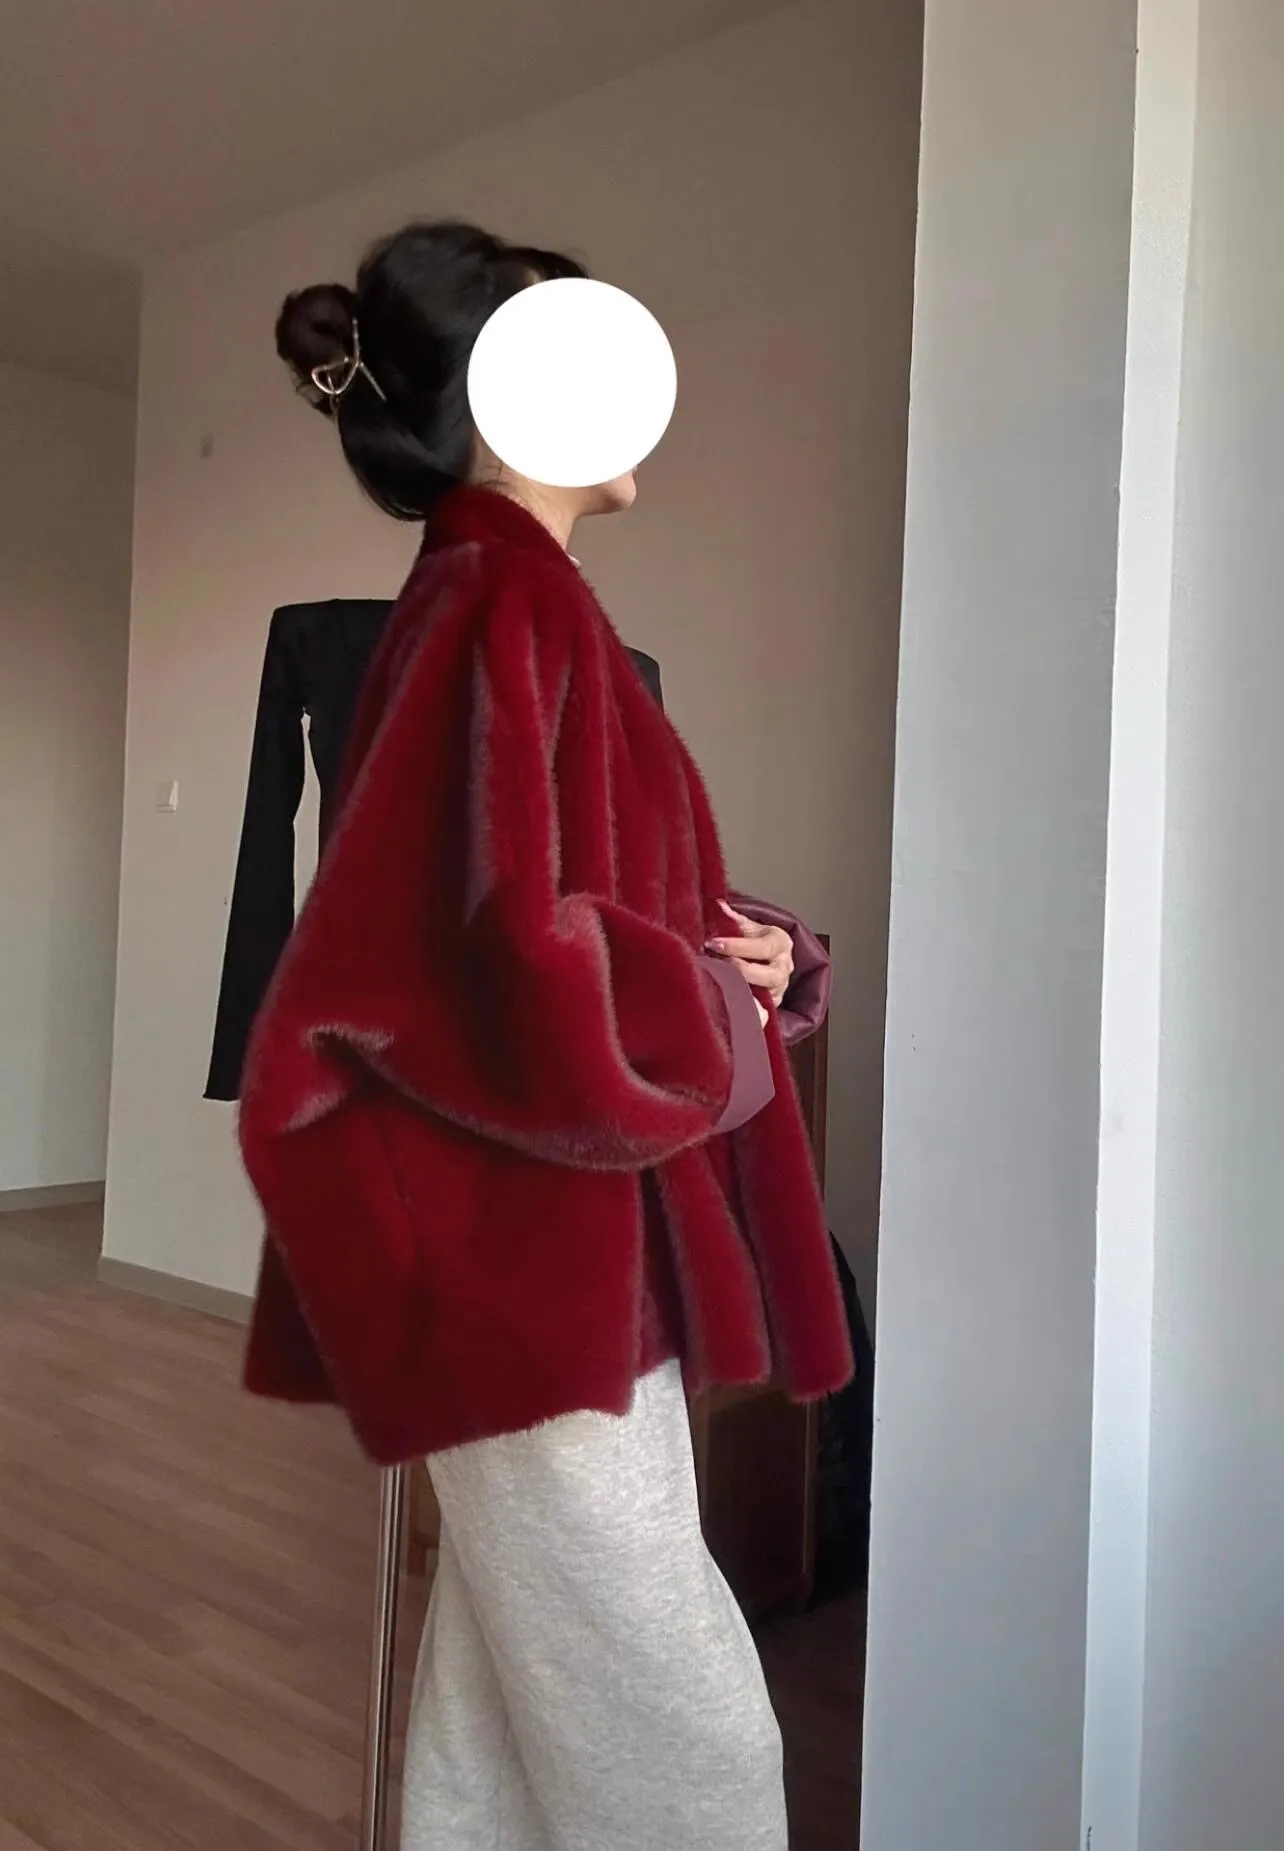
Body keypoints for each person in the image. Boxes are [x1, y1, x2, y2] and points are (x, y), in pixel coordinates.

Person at [238, 220, 852, 1851]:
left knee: (501, 1731)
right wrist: (715, 1010)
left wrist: (754, 953)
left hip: (527, 1264)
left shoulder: (515, 602)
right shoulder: (495, 605)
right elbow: (473, 958)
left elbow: (581, 896)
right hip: (528, 1270)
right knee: (692, 1745)